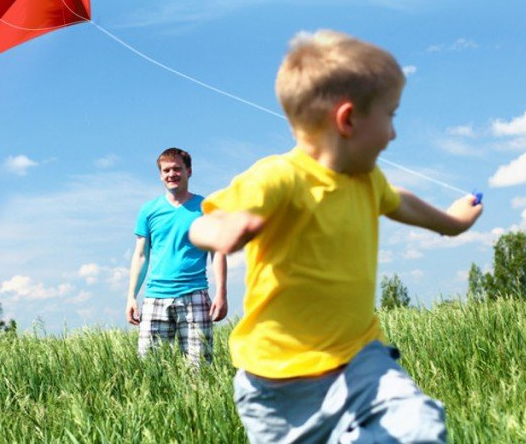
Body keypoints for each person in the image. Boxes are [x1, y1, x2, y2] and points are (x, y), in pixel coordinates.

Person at [189, 31, 483, 443]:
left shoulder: (366, 179)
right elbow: (199, 224)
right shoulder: (279, 177)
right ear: (348, 120)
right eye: (391, 115)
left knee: (418, 428)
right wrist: (223, 231)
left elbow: (404, 203)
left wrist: (453, 222)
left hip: (361, 361)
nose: (394, 134)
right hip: (278, 387)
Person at [127, 147, 228, 366]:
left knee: (199, 368)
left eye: (177, 169)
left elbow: (218, 252)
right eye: (166, 170)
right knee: (150, 370)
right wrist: (132, 296)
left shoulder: (207, 208)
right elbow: (141, 255)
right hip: (155, 297)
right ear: (160, 175)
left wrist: (221, 293)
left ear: (189, 171)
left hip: (194, 295)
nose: (171, 174)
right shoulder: (149, 210)